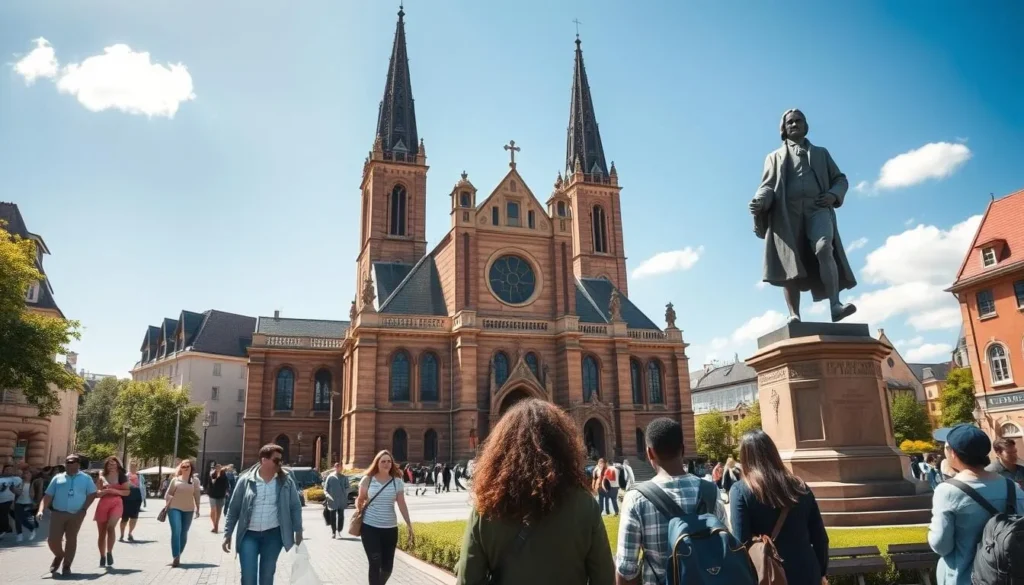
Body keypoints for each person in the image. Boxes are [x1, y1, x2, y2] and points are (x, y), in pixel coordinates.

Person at [455, 398, 613, 585]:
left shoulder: (487, 509)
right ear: (563, 446)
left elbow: (467, 580)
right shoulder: (585, 505)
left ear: (501, 450)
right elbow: (604, 578)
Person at [749, 108, 857, 324]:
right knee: (789, 262)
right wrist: (760, 200)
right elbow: (768, 186)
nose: (794, 125)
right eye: (790, 122)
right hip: (787, 213)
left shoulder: (821, 153)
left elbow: (840, 179)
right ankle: (794, 314)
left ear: (806, 126)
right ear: (784, 128)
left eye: (798, 121)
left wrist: (833, 195)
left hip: (818, 209)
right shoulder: (774, 157)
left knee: (824, 247)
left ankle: (835, 305)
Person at [616, 418, 728, 585]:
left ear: (649, 453)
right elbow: (726, 544)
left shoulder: (636, 498)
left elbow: (626, 570)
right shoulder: (711, 490)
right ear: (683, 449)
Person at [928, 424, 1024, 585]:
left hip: (963, 577)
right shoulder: (1012, 487)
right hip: (1008, 576)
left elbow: (941, 545)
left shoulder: (947, 491)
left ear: (953, 453)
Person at [730, 430, 829, 585]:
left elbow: (741, 543)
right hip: (807, 571)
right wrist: (822, 572)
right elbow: (820, 538)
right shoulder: (800, 487)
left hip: (768, 575)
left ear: (745, 457)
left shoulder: (741, 490)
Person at [223, 443, 304, 585]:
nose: (280, 463)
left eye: (281, 460)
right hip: (248, 535)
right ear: (264, 460)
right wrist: (227, 533)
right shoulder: (245, 480)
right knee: (248, 577)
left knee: (267, 577)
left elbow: (295, 507)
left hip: (273, 535)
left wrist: (298, 531)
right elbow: (234, 508)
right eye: (276, 460)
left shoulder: (286, 481)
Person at [356, 450, 414, 585]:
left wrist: (409, 524)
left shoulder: (397, 482)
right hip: (370, 527)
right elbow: (360, 499)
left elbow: (402, 504)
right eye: (383, 461)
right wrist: (359, 508)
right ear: (377, 463)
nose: (386, 464)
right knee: (375, 562)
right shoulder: (368, 479)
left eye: (389, 461)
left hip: (390, 529)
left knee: (388, 567)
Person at [36, 454, 98, 577]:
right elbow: (48, 496)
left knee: (71, 539)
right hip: (58, 513)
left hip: (76, 514)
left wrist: (84, 509)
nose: (69, 465)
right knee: (53, 540)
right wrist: (41, 510)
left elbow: (92, 494)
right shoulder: (57, 478)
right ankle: (59, 555)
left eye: (72, 462)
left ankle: (66, 565)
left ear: (78, 464)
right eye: (67, 462)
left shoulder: (86, 478)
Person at [162, 459, 201, 567]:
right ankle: (176, 557)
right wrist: (168, 502)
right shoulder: (175, 480)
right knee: (176, 530)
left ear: (191, 468)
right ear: (180, 468)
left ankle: (178, 554)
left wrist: (198, 508)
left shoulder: (195, 481)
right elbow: (168, 494)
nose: (185, 468)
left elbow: (197, 495)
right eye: (183, 466)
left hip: (189, 509)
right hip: (174, 508)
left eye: (187, 466)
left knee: (184, 532)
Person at [94, 456, 130, 568]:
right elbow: (97, 493)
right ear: (106, 466)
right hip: (103, 503)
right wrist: (102, 492)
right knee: (101, 533)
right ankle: (102, 556)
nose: (112, 466)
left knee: (111, 527)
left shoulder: (122, 476)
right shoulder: (102, 477)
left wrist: (113, 490)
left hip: (116, 503)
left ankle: (109, 552)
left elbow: (127, 492)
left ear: (118, 465)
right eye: (110, 464)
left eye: (114, 464)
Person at [119, 462, 145, 542]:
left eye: (134, 466)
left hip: (137, 498)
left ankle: (130, 533)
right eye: (131, 466)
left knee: (134, 518)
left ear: (137, 467)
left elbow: (143, 486)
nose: (132, 467)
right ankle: (122, 534)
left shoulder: (140, 476)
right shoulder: (125, 476)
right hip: (126, 498)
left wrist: (143, 497)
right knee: (124, 518)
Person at [323, 462, 349, 538]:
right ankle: (333, 532)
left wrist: (345, 494)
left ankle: (339, 530)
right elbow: (325, 489)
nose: (338, 468)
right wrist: (328, 496)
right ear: (334, 467)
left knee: (341, 516)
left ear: (342, 468)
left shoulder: (344, 477)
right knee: (332, 517)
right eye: (337, 467)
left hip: (341, 500)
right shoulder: (330, 477)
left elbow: (347, 487)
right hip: (332, 500)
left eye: (340, 467)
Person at [13, 468, 37, 541]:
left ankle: (32, 529)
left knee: (23, 518)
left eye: (28, 474)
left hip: (28, 504)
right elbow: (14, 493)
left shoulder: (33, 484)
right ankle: (19, 535)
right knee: (18, 519)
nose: (26, 475)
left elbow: (37, 494)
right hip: (18, 503)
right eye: (25, 473)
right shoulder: (20, 483)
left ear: (31, 475)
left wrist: (36, 503)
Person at [0, 464, 21, 541]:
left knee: (3, 514)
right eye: (7, 469)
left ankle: (3, 530)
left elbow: (19, 489)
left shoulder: (16, 479)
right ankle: (7, 528)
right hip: (1, 499)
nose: (9, 471)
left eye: (10, 469)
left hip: (8, 500)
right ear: (3, 470)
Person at [208, 464, 229, 533]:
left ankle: (216, 527)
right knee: (212, 512)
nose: (218, 468)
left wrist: (226, 491)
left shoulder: (224, 476)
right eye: (217, 467)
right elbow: (210, 484)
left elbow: (226, 485)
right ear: (215, 468)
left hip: (221, 496)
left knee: (218, 512)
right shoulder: (212, 475)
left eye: (219, 467)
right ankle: (215, 525)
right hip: (212, 495)